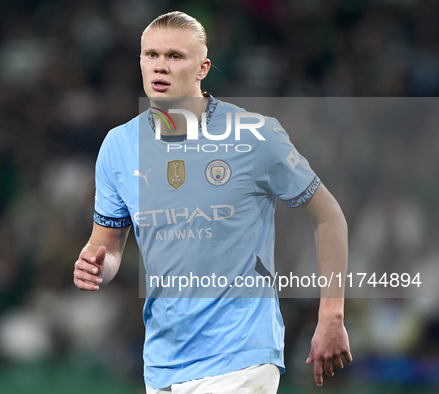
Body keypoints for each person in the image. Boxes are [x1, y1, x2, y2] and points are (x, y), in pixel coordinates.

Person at [73, 11, 352, 393]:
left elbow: (329, 217)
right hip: (163, 363)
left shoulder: (255, 135)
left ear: (203, 67)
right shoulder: (118, 146)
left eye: (175, 56)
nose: (161, 66)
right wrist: (95, 266)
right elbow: (108, 246)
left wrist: (331, 314)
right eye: (151, 55)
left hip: (242, 355)